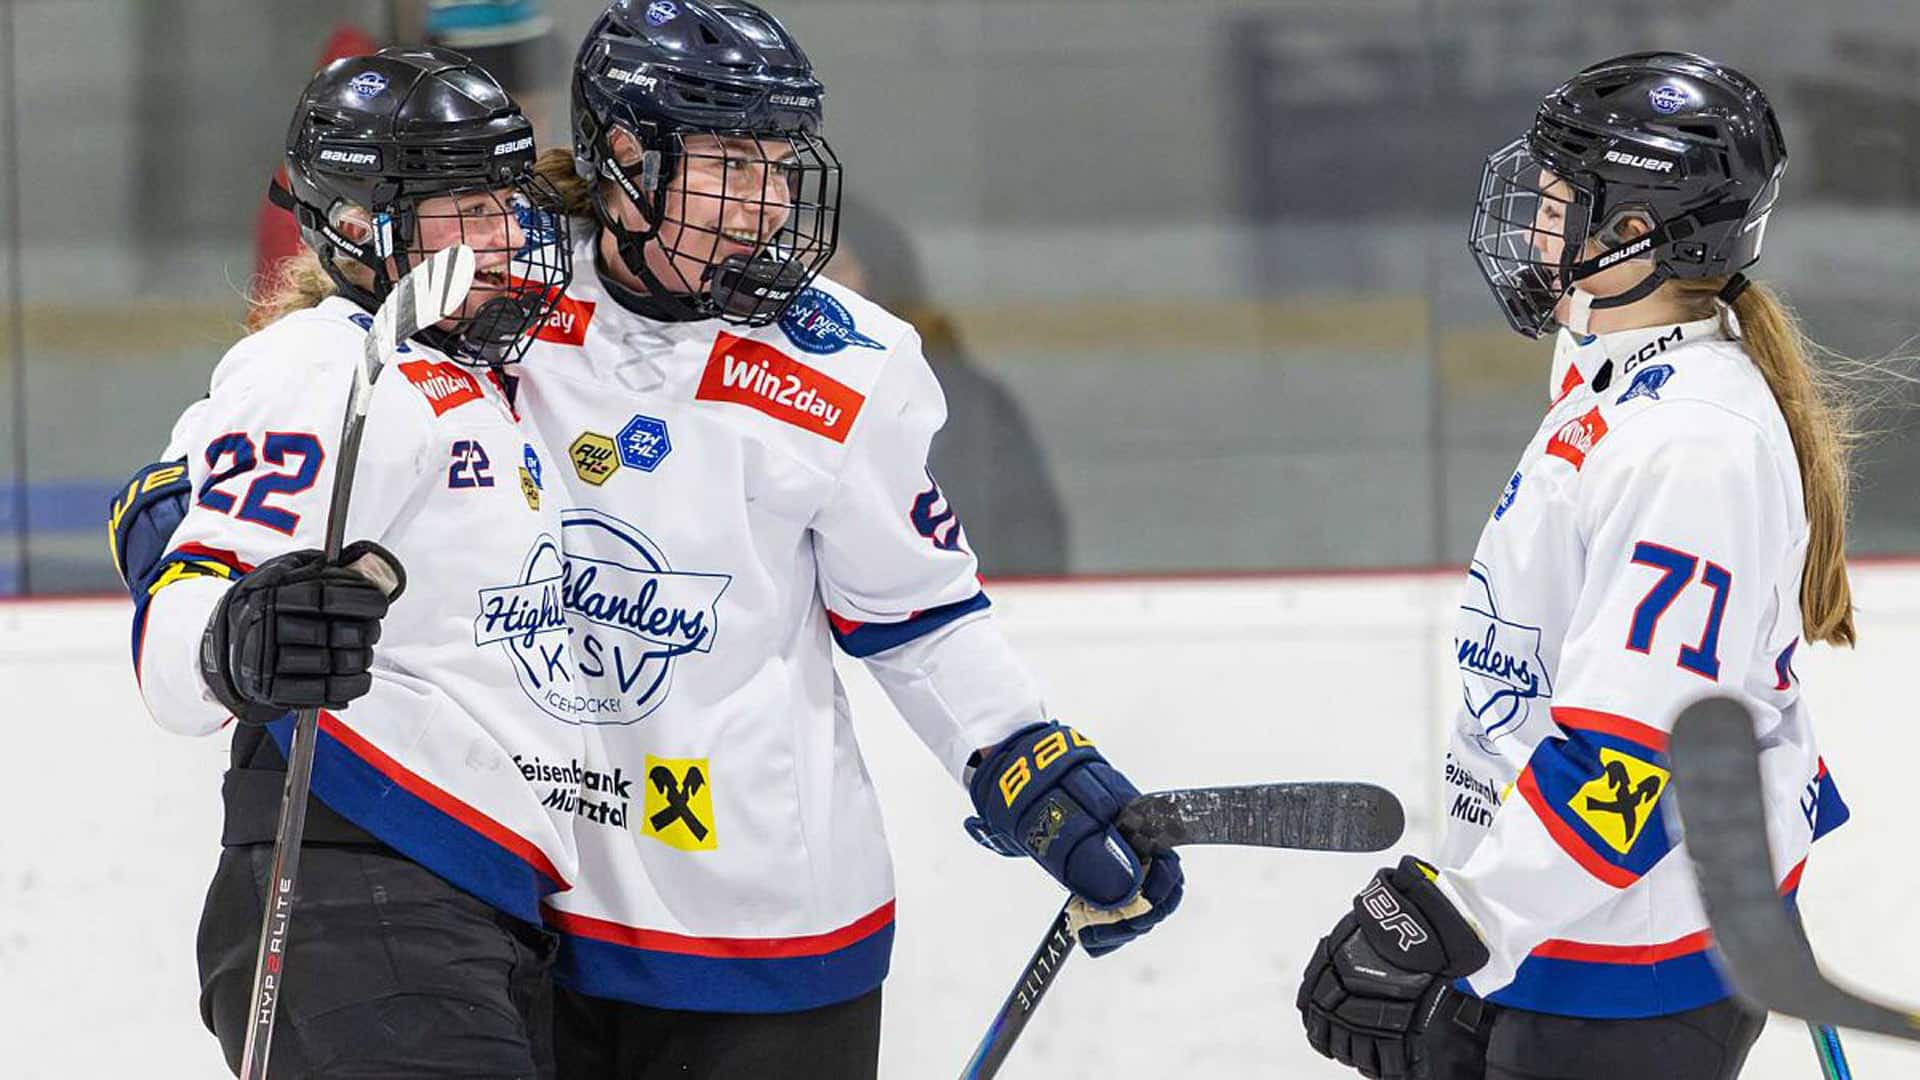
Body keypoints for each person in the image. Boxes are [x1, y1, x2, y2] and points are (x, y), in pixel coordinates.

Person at [507, 1, 1183, 1074]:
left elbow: (916, 609)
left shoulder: (844, 360)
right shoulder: (502, 303)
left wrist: (1021, 755)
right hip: (523, 912)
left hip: (759, 921)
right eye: (732, 164)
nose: (767, 202)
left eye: (779, 166)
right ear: (626, 157)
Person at [1295, 52, 1856, 1080]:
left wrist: (1463, 919)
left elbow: (1625, 763)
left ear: (1635, 234)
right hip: (1562, 934)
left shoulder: (1692, 446)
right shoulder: (1611, 368)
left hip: (1630, 970)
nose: (1534, 231)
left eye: (1558, 208)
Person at [109, 47, 583, 1077]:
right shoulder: (321, 364)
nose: (506, 235)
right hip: (352, 899)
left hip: (468, 909)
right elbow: (183, 627)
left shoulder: (471, 372)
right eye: (469, 209)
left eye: (509, 202)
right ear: (362, 223)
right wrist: (236, 642)